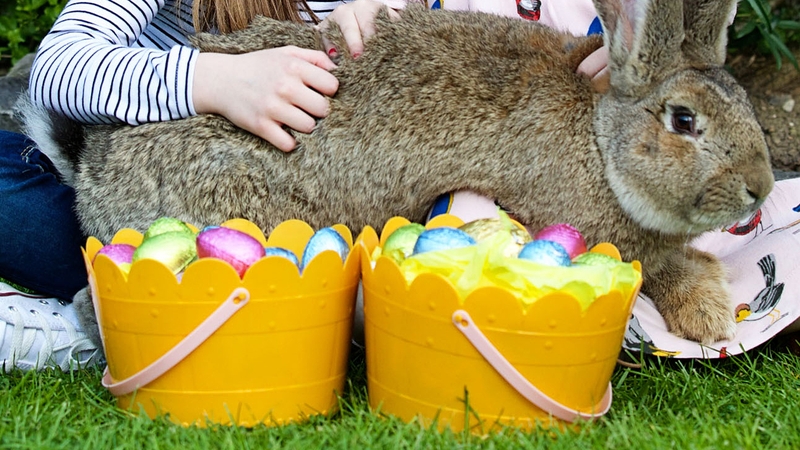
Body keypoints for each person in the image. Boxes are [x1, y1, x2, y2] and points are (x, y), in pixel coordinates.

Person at [373, 0, 800, 361]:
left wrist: (628, 63)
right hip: (494, 185)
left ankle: (670, 270)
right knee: (490, 251)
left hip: (628, 152)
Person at [0, 0, 396, 371]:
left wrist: (380, 17)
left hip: (307, 211)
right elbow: (60, 67)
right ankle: (145, 299)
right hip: (146, 202)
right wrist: (217, 80)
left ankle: (121, 315)